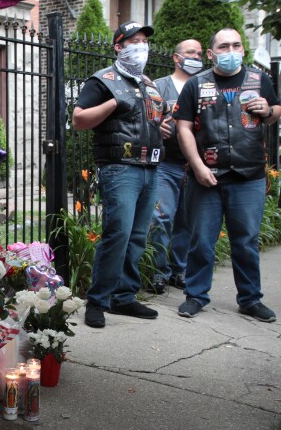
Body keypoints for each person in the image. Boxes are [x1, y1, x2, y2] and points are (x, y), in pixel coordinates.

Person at [174, 28, 279, 322]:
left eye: (235, 45)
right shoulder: (196, 84)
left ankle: (250, 299)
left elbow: (275, 112)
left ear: (243, 49)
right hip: (206, 176)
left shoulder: (260, 80)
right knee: (202, 241)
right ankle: (195, 296)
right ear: (211, 53)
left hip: (249, 175)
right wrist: (197, 166)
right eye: (223, 46)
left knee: (245, 241)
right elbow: (183, 127)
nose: (230, 51)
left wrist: (268, 109)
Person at [72, 21, 166, 329]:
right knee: (118, 234)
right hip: (120, 169)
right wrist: (114, 102)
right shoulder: (103, 81)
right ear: (119, 47)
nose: (141, 46)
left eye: (144, 41)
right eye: (133, 41)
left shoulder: (148, 84)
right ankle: (98, 301)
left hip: (150, 169)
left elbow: (153, 121)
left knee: (138, 236)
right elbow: (79, 119)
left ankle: (124, 298)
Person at [146, 39, 204, 294]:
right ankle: (158, 271)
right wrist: (156, 126)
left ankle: (178, 269)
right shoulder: (159, 86)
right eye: (190, 52)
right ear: (176, 57)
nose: (196, 57)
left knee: (187, 220)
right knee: (162, 217)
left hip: (196, 165)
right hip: (166, 163)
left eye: (200, 53)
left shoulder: (205, 85)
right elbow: (143, 119)